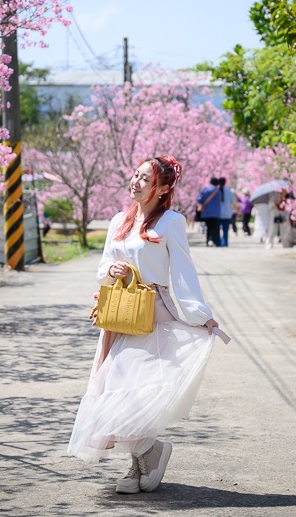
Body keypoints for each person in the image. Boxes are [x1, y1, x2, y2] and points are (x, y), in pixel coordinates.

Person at [68, 155, 229, 493]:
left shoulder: (171, 221)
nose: (136, 182)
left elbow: (183, 273)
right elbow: (102, 268)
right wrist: (113, 271)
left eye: (145, 178)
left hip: (154, 317)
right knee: (114, 392)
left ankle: (146, 456)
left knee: (132, 395)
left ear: (164, 187)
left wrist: (202, 316)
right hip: (121, 317)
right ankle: (144, 458)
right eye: (135, 175)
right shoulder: (118, 221)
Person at [196, 177, 222, 247]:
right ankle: (213, 240)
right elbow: (220, 199)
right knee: (214, 228)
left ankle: (208, 241)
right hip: (216, 212)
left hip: (206, 212)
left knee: (208, 227)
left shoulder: (205, 189)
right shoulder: (218, 191)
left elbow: (199, 199)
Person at [217, 177, 233, 247]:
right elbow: (233, 202)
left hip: (217, 214)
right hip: (227, 213)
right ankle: (225, 243)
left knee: (217, 230)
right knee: (225, 230)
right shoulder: (229, 191)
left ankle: (218, 242)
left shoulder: (216, 191)